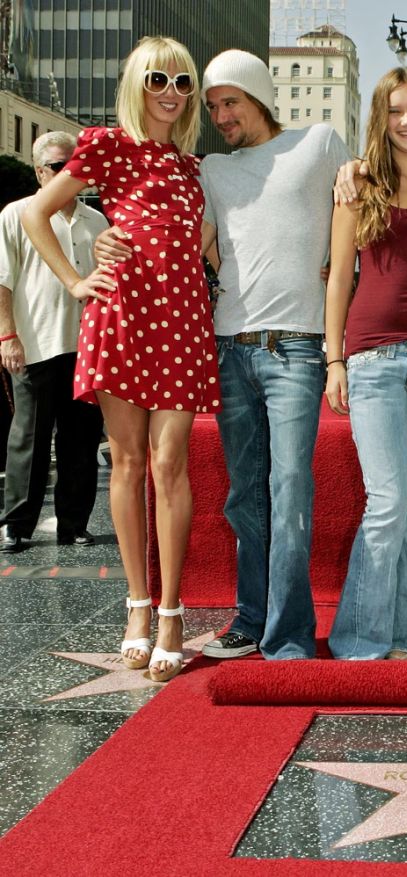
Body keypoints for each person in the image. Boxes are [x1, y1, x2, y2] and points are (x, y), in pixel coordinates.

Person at [97, 49, 349, 661]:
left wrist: (359, 179)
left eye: (228, 100)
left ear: (259, 95)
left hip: (298, 347)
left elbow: (360, 211)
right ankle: (251, 616)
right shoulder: (212, 168)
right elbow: (182, 236)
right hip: (229, 346)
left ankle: (287, 636)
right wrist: (110, 236)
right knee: (244, 494)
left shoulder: (319, 143)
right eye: (211, 106)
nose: (219, 114)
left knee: (289, 488)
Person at [23, 37, 219, 682]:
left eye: (183, 82)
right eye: (159, 78)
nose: (172, 92)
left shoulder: (192, 167)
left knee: (171, 463)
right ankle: (137, 607)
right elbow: (37, 214)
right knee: (129, 462)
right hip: (125, 315)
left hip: (184, 320)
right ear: (137, 83)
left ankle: (172, 611)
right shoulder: (108, 145)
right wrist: (77, 280)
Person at [324, 68, 407, 660]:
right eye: (395, 111)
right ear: (381, 119)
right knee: (387, 502)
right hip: (373, 357)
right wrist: (335, 360)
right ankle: (360, 639)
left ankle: (405, 634)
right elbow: (336, 280)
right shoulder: (358, 185)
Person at [0, 132, 107, 553]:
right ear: (40, 171)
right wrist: (7, 335)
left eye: (77, 165)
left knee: (81, 440)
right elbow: (2, 280)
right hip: (35, 342)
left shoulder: (97, 220)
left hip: (85, 348)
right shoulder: (17, 214)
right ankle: (17, 525)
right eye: (61, 166)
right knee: (28, 437)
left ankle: (74, 524)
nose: (72, 173)